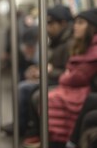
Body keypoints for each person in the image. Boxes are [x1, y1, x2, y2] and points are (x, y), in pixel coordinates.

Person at [23, 8, 97, 148]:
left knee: (42, 96)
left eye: (80, 23)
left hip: (80, 88)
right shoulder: (77, 44)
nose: (75, 26)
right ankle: (40, 134)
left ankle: (53, 139)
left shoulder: (87, 48)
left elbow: (78, 75)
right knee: (33, 91)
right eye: (75, 22)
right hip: (70, 83)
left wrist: (56, 73)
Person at [3, 5, 73, 136]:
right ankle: (30, 127)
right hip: (54, 77)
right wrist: (39, 70)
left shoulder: (69, 43)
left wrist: (45, 72)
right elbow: (52, 64)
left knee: (27, 89)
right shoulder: (58, 41)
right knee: (26, 85)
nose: (47, 27)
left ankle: (28, 128)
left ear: (62, 23)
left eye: (50, 23)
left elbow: (68, 71)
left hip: (60, 80)